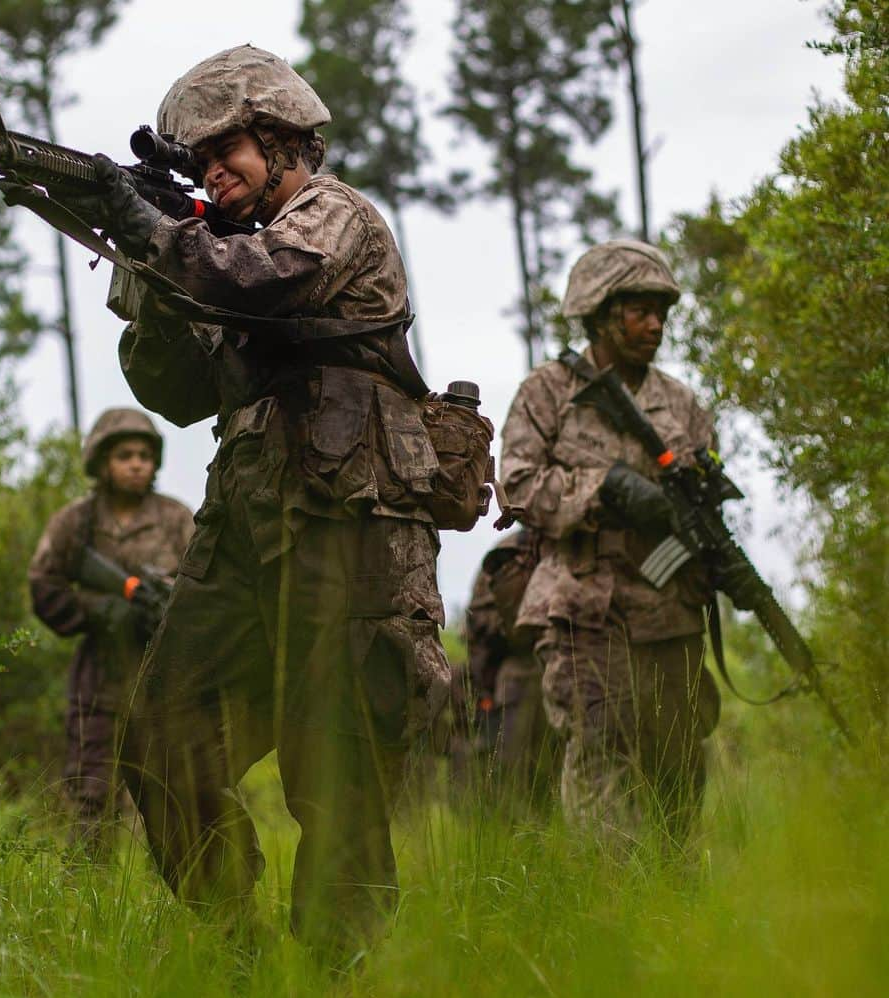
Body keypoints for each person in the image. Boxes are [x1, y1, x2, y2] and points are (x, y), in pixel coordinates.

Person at [70, 46, 450, 952]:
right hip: (245, 520)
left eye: (227, 152)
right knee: (162, 736)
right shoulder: (213, 249)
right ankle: (234, 949)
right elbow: (175, 388)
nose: (211, 174)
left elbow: (262, 279)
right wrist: (147, 261)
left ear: (283, 141)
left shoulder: (335, 218)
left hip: (347, 519)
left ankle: (337, 991)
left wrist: (160, 231)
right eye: (195, 163)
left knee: (341, 767)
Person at [499, 240, 720, 847]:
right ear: (598, 312)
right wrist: (606, 489)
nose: (654, 324)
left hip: (669, 608)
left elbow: (705, 502)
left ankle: (678, 912)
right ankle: (616, 908)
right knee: (601, 753)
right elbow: (517, 489)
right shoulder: (548, 392)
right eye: (638, 310)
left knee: (679, 767)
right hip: (583, 605)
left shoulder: (681, 404)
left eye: (661, 312)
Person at [28, 408, 194, 854]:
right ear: (102, 462)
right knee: (91, 789)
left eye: (144, 454)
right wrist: (99, 610)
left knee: (172, 790)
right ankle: (88, 898)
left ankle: (177, 898)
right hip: (98, 675)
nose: (137, 463)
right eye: (124, 455)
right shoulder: (76, 521)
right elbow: (44, 584)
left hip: (163, 678)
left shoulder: (178, 520)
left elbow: (209, 591)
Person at [456, 528, 559, 810]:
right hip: (522, 667)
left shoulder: (578, 538)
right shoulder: (513, 548)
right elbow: (478, 621)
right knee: (515, 774)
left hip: (579, 661)